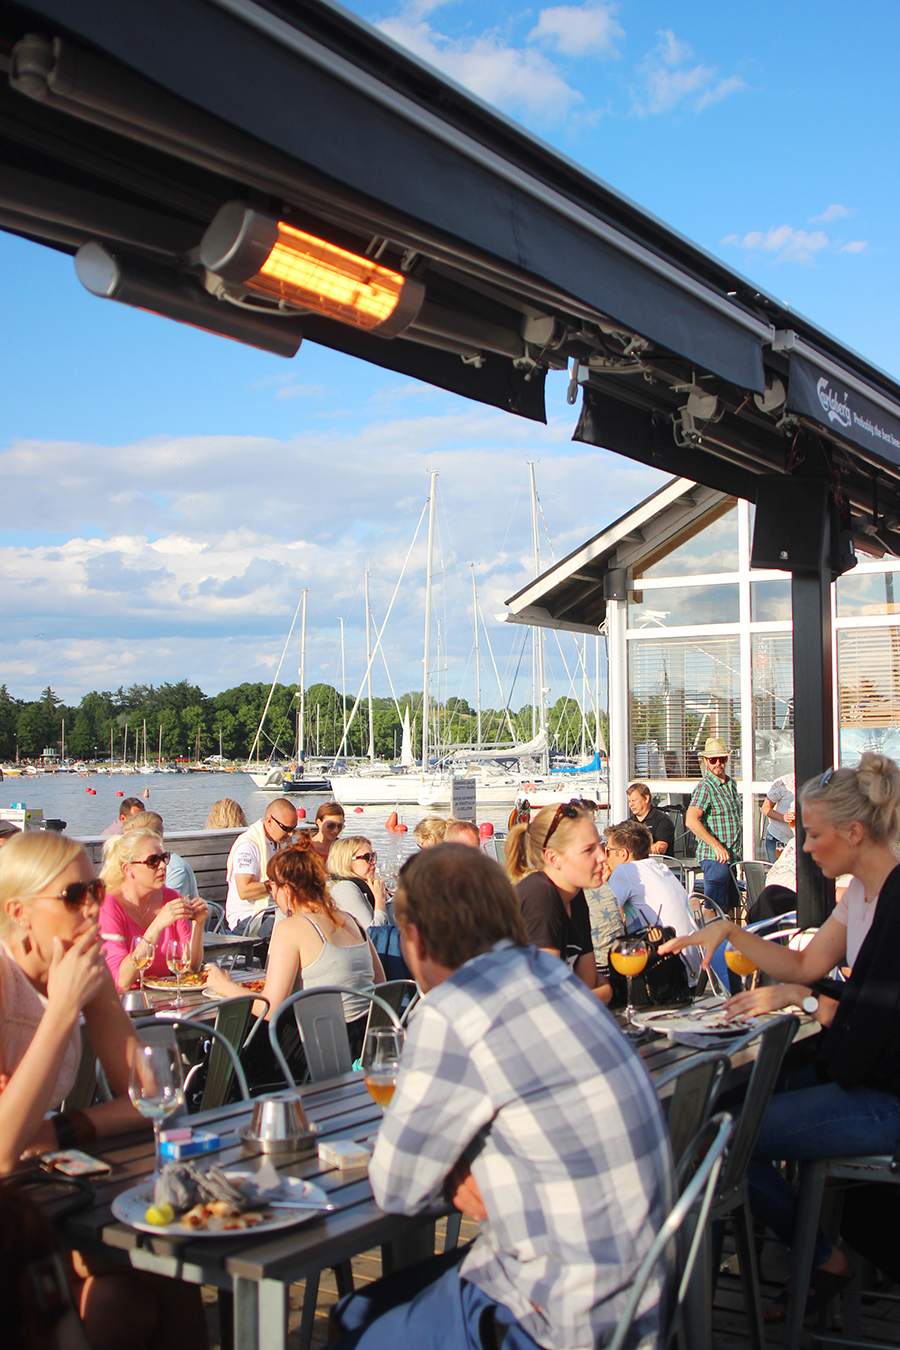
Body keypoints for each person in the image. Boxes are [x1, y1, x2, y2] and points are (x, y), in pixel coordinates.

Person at [330, 844, 673, 1350]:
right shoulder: (553, 978)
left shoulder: (452, 1010)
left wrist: (460, 1172)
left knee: (353, 1325)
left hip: (554, 1316)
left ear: (415, 940)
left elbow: (398, 1188)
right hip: (638, 1297)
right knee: (359, 1309)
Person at [661, 752, 900, 1323]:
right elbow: (804, 964)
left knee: (716, 1139)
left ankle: (816, 1262)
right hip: (865, 1079)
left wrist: (803, 1000)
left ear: (854, 832)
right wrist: (728, 929)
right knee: (719, 1110)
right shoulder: (863, 895)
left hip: (887, 1100)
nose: (805, 847)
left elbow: (874, 1025)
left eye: (813, 834)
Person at [0, 831, 207, 1350]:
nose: (93, 907)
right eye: (74, 897)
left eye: (94, 890)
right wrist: (63, 1009)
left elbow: (150, 1099)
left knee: (142, 1289)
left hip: (36, 1194)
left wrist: (57, 1129)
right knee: (155, 1270)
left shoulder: (80, 966)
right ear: (19, 912)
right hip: (16, 1209)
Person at [206, 843, 385, 1081]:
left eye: (272, 885)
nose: (271, 893)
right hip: (364, 1045)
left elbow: (270, 1008)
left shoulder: (291, 928)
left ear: (287, 890)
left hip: (318, 1053)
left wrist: (224, 986)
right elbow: (381, 985)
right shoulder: (351, 921)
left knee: (231, 1050)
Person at [506, 802, 613, 1004]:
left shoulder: (574, 895)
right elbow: (546, 1001)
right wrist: (604, 994)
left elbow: (587, 981)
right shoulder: (540, 896)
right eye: (588, 850)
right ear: (553, 858)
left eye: (600, 845)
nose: (602, 857)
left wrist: (592, 994)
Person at [99, 828, 208, 989]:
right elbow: (122, 981)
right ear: (128, 870)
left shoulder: (171, 897)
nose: (162, 866)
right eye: (152, 861)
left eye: (164, 858)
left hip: (165, 998)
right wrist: (157, 926)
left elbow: (190, 969)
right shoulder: (109, 904)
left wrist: (198, 924)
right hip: (128, 1001)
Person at [603, 821, 700, 984]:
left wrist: (602, 882)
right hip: (691, 970)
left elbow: (603, 917)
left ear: (624, 854)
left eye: (608, 850)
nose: (604, 857)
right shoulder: (661, 868)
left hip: (668, 973)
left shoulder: (625, 870)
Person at [686, 736, 742, 913]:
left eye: (722, 759)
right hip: (714, 857)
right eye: (713, 760)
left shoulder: (731, 783)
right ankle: (707, 932)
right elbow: (691, 820)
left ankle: (727, 933)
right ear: (705, 761)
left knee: (730, 906)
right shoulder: (705, 787)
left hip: (731, 855)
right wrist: (716, 845)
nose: (718, 763)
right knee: (713, 907)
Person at [225, 798, 298, 929]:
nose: (290, 833)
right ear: (269, 821)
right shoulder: (248, 846)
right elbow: (244, 890)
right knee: (291, 928)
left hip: (273, 910)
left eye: (293, 828)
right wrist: (274, 886)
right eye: (286, 828)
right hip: (247, 917)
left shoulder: (280, 843)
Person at [122, 810, 199, 900]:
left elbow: (165, 905)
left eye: (129, 841)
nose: (123, 846)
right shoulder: (128, 864)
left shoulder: (175, 870)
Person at [328, 835, 389, 928]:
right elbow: (371, 932)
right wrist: (380, 901)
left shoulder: (362, 885)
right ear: (347, 861)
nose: (374, 862)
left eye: (373, 856)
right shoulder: (345, 889)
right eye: (367, 857)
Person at [626, 782, 676, 856]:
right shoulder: (628, 824)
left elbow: (660, 848)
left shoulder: (663, 821)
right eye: (629, 801)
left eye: (634, 800)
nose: (631, 804)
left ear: (646, 798)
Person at [761, 771, 796, 863]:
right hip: (777, 839)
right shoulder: (784, 783)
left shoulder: (814, 784)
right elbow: (765, 808)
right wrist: (783, 817)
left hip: (799, 840)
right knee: (777, 870)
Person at [310, 801, 345, 866]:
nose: (336, 830)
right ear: (319, 823)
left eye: (339, 826)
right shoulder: (304, 849)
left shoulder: (343, 849)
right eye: (330, 825)